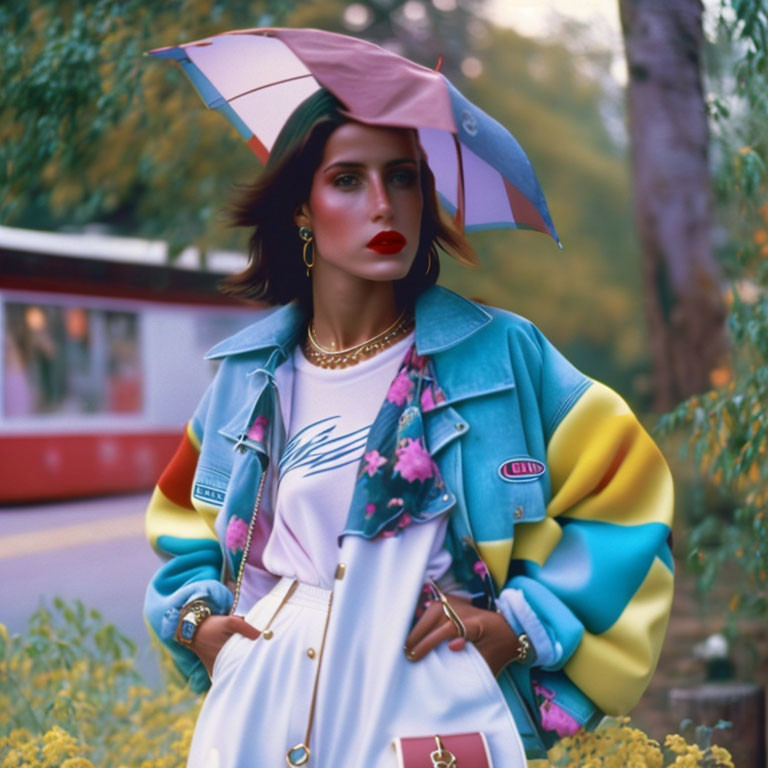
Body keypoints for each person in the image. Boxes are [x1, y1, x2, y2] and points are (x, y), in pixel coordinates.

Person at [143, 88, 674, 768]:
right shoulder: (249, 376)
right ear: (301, 208)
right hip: (264, 699)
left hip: (432, 688)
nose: (384, 203)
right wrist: (198, 625)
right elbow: (182, 517)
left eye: (403, 176)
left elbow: (624, 494)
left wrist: (519, 626)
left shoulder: (505, 357)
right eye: (347, 179)